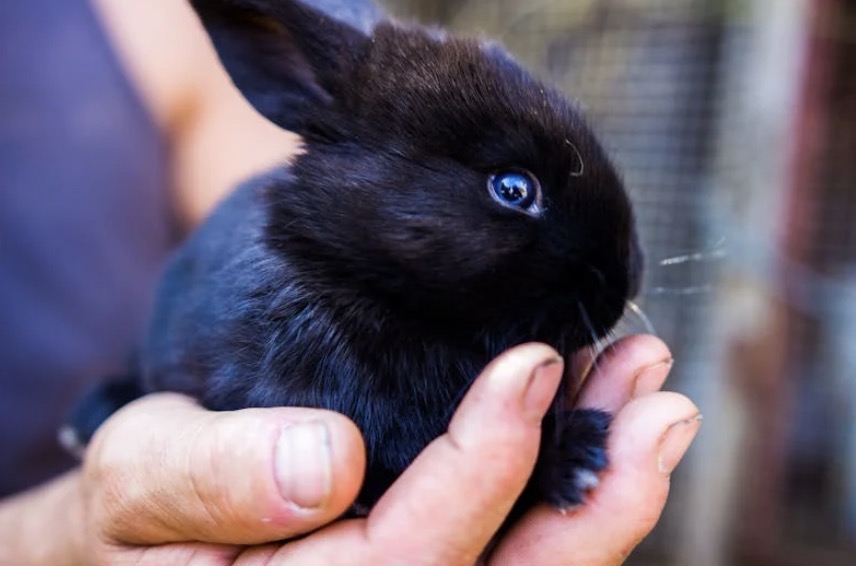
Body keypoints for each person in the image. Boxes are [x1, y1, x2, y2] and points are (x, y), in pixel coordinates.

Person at [0, 1, 700, 564]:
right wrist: (55, 537)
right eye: (514, 188)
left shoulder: (147, 32)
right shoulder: (300, 312)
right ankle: (121, 391)